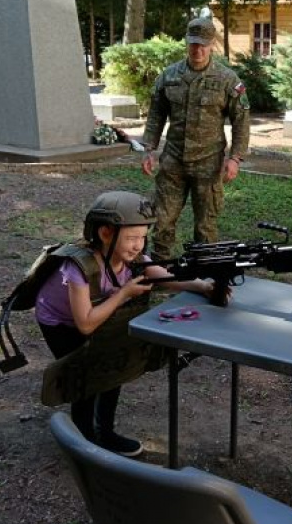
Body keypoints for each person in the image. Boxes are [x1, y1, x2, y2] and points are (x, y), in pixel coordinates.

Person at [35, 191, 216, 456]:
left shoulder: (134, 260)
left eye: (143, 237)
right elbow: (85, 324)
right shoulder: (79, 267)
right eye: (132, 238)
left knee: (112, 368)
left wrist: (202, 286)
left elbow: (164, 277)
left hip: (96, 313)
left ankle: (105, 433)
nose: (138, 245)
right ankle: (84, 443)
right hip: (60, 322)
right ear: (105, 233)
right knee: (85, 378)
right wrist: (123, 294)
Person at [141, 16, 251, 260]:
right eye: (193, 44)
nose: (197, 50)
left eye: (203, 45)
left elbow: (241, 121)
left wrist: (235, 158)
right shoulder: (169, 76)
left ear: (212, 45)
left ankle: (203, 271)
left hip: (209, 163)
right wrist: (149, 149)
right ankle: (159, 269)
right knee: (162, 220)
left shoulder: (227, 80)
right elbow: (156, 115)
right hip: (173, 162)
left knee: (206, 226)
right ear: (186, 42)